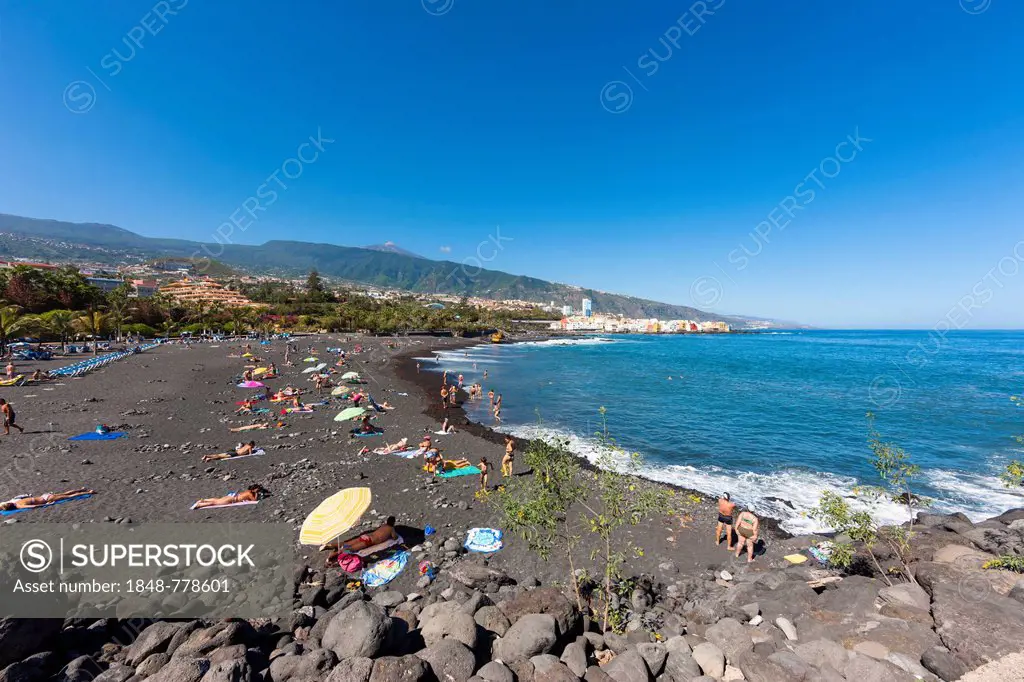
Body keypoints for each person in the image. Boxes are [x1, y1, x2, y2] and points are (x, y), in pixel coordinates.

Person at [326, 516, 399, 557]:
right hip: (369, 541)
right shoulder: (391, 529)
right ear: (393, 522)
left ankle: (331, 545)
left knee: (347, 544)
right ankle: (334, 554)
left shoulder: (383, 525)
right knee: (351, 549)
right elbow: (395, 537)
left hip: (365, 536)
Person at [0, 488, 96, 511]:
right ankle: (82, 489)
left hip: (47, 499)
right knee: (66, 493)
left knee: (69, 496)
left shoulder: (19, 505)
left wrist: (47, 505)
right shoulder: (16, 501)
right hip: (44, 496)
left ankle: (88, 492)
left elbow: (34, 506)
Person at [193, 484, 269, 510]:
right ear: (254, 489)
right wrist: (257, 494)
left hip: (232, 496)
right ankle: (199, 505)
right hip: (233, 499)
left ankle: (204, 500)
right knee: (215, 503)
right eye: (257, 489)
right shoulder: (250, 493)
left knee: (218, 499)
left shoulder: (247, 491)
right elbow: (254, 500)